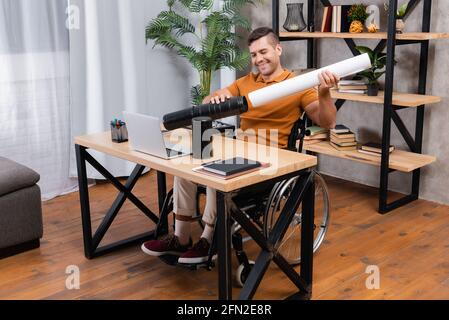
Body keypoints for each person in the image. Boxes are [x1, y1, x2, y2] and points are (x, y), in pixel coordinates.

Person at [141, 27, 339, 264]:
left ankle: (208, 240)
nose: (259, 59)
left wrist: (325, 93)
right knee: (185, 167)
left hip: (271, 163)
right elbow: (209, 101)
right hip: (240, 152)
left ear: (278, 49)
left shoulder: (296, 85)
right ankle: (181, 238)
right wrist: (213, 99)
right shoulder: (245, 82)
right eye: (254, 55)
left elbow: (328, 121)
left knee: (216, 170)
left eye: (263, 51)